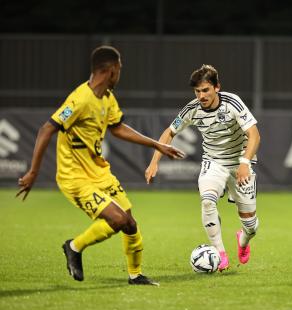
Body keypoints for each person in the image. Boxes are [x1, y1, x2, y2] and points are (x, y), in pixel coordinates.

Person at [16, 45, 185, 285]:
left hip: (99, 173)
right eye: (120, 69)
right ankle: (74, 247)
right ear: (111, 69)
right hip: (75, 178)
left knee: (129, 224)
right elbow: (46, 129)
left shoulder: (107, 98)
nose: (120, 73)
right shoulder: (79, 100)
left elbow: (117, 128)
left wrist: (156, 145)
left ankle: (135, 276)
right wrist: (33, 171)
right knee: (117, 220)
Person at [145, 65, 261, 272]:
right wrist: (154, 162)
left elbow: (254, 134)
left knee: (250, 225)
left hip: (241, 162)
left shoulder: (232, 102)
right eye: (197, 91)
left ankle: (243, 241)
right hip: (213, 162)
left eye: (206, 90)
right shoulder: (192, 109)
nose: (201, 95)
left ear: (217, 87)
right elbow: (169, 133)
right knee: (207, 202)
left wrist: (244, 163)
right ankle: (220, 254)